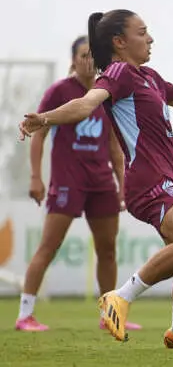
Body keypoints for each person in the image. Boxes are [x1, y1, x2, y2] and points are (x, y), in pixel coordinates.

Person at [18, 10, 173, 349]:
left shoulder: (150, 76)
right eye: (143, 32)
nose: (150, 38)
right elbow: (86, 103)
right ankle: (119, 297)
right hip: (149, 180)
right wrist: (46, 119)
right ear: (119, 42)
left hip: (168, 178)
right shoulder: (119, 73)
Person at [15, 36, 142, 333]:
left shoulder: (105, 93)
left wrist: (123, 183)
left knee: (108, 249)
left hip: (101, 184)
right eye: (83, 55)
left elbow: (114, 147)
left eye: (92, 56)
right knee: (48, 246)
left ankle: (109, 314)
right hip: (67, 182)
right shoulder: (59, 91)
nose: (88, 61)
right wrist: (36, 177)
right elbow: (39, 133)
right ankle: (25, 315)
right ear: (73, 60)